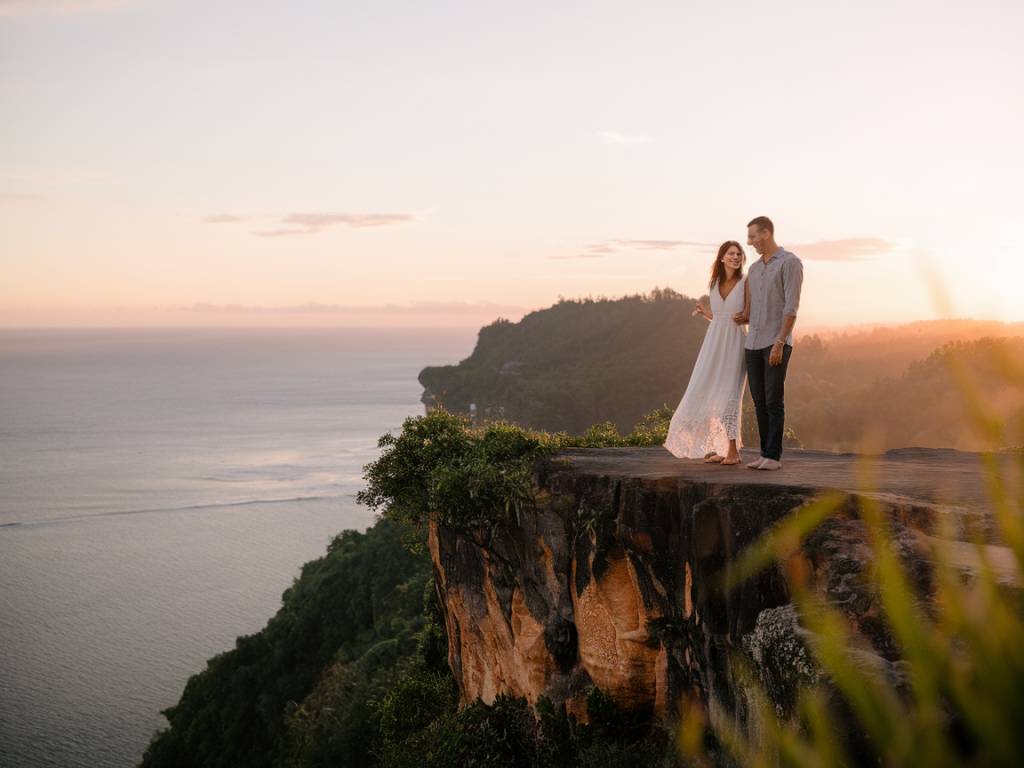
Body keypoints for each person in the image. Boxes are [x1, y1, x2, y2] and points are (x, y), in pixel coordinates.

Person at [664, 241, 750, 465]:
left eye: (739, 254)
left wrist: (744, 318)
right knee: (708, 388)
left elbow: (749, 315)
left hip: (735, 342)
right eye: (731, 253)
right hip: (713, 343)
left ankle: (733, 452)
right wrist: (706, 314)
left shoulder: (746, 282)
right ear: (721, 257)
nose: (735, 257)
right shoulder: (715, 282)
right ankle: (721, 448)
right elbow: (722, 318)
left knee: (729, 394)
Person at [733, 216, 803, 471]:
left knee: (774, 400)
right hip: (752, 343)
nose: (749, 243)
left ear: (766, 234)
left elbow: (791, 308)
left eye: (752, 237)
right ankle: (764, 453)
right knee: (759, 401)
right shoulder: (754, 269)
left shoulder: (790, 263)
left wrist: (779, 342)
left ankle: (774, 456)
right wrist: (736, 316)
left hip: (776, 342)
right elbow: (751, 311)